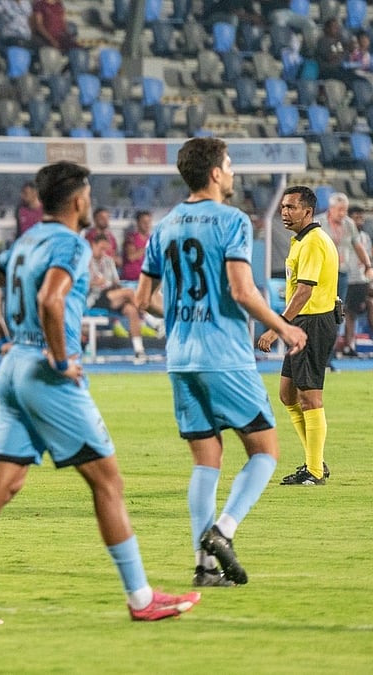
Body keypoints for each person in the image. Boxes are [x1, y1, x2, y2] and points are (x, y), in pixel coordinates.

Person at [0, 160, 201, 624]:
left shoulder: (26, 240)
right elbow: (51, 299)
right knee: (108, 482)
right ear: (79, 200)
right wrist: (61, 360)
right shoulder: (71, 245)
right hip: (47, 375)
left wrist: (3, 340)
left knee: (2, 484)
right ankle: (141, 598)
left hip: (14, 367)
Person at [135, 138, 306, 587]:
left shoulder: (165, 225)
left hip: (181, 359)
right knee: (266, 451)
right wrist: (285, 328)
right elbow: (241, 290)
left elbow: (143, 300)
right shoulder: (232, 221)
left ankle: (204, 566)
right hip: (224, 356)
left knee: (206, 460)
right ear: (214, 173)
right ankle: (223, 531)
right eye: (228, 165)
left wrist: (180, 313)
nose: (232, 172)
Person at [256, 187, 339, 486]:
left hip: (312, 323)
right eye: (282, 207)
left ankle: (314, 470)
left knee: (309, 396)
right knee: (287, 394)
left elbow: (304, 291)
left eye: (291, 207)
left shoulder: (314, 242)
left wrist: (276, 327)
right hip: (305, 321)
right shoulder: (302, 241)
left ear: (308, 211)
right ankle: (315, 460)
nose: (284, 212)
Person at [324, 193, 373, 357]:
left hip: (343, 275)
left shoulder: (349, 225)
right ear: (331, 209)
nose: (343, 213)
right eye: (340, 210)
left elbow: (358, 246)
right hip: (324, 274)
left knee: (339, 312)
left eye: (345, 210)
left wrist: (368, 266)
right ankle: (317, 352)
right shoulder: (319, 223)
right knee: (323, 312)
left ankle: (331, 353)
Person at [87, 231, 147, 363]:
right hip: (94, 298)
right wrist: (94, 283)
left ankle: (139, 350)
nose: (103, 252)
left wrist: (110, 284)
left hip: (111, 295)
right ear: (93, 245)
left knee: (131, 310)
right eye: (100, 248)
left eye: (105, 249)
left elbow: (116, 282)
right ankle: (149, 318)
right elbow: (79, 284)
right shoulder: (86, 262)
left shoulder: (108, 261)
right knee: (130, 292)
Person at [120, 210, 152, 283]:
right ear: (138, 223)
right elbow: (131, 257)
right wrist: (146, 248)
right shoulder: (131, 238)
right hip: (131, 280)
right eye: (144, 222)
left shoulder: (152, 240)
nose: (147, 224)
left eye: (149, 222)